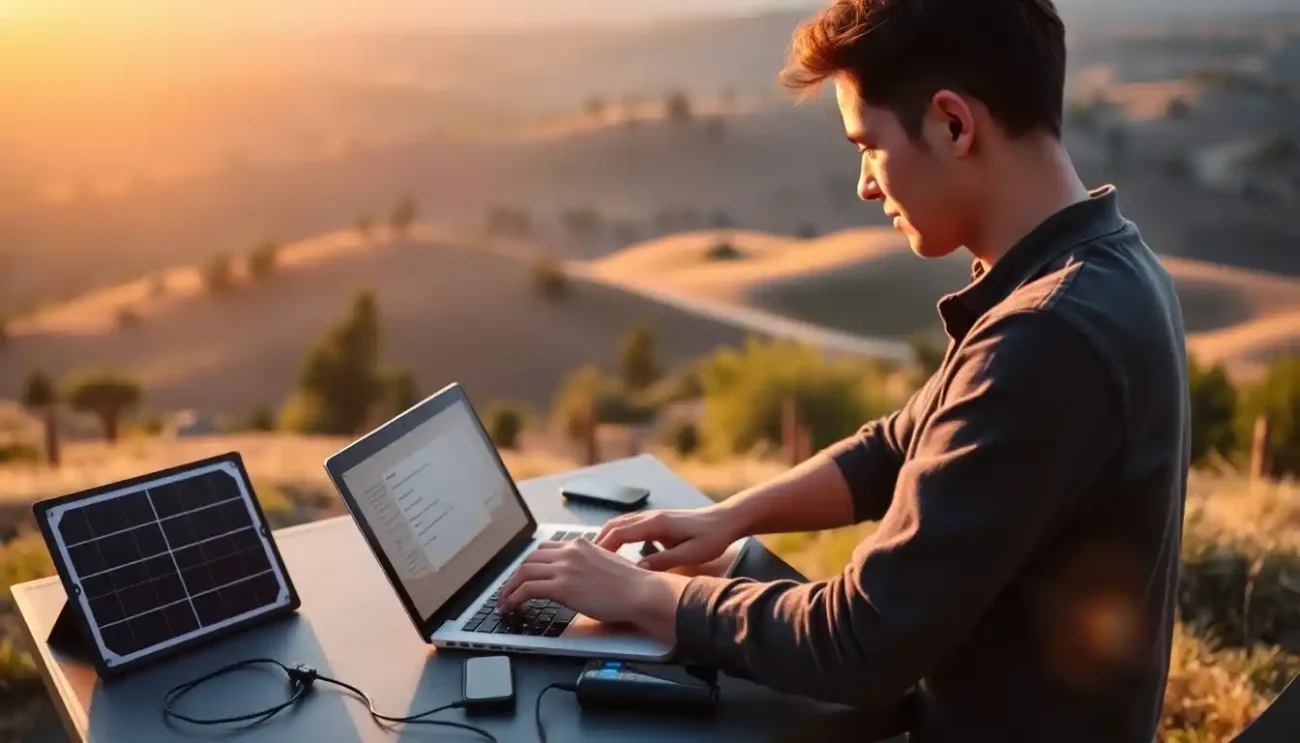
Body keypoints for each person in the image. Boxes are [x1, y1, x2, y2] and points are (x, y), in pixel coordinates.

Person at [498, 0, 1190, 740]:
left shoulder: (1045, 336)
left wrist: (641, 594)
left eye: (869, 145)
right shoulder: (1100, 269)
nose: (865, 184)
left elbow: (859, 642)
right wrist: (730, 516)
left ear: (953, 125)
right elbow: (898, 445)